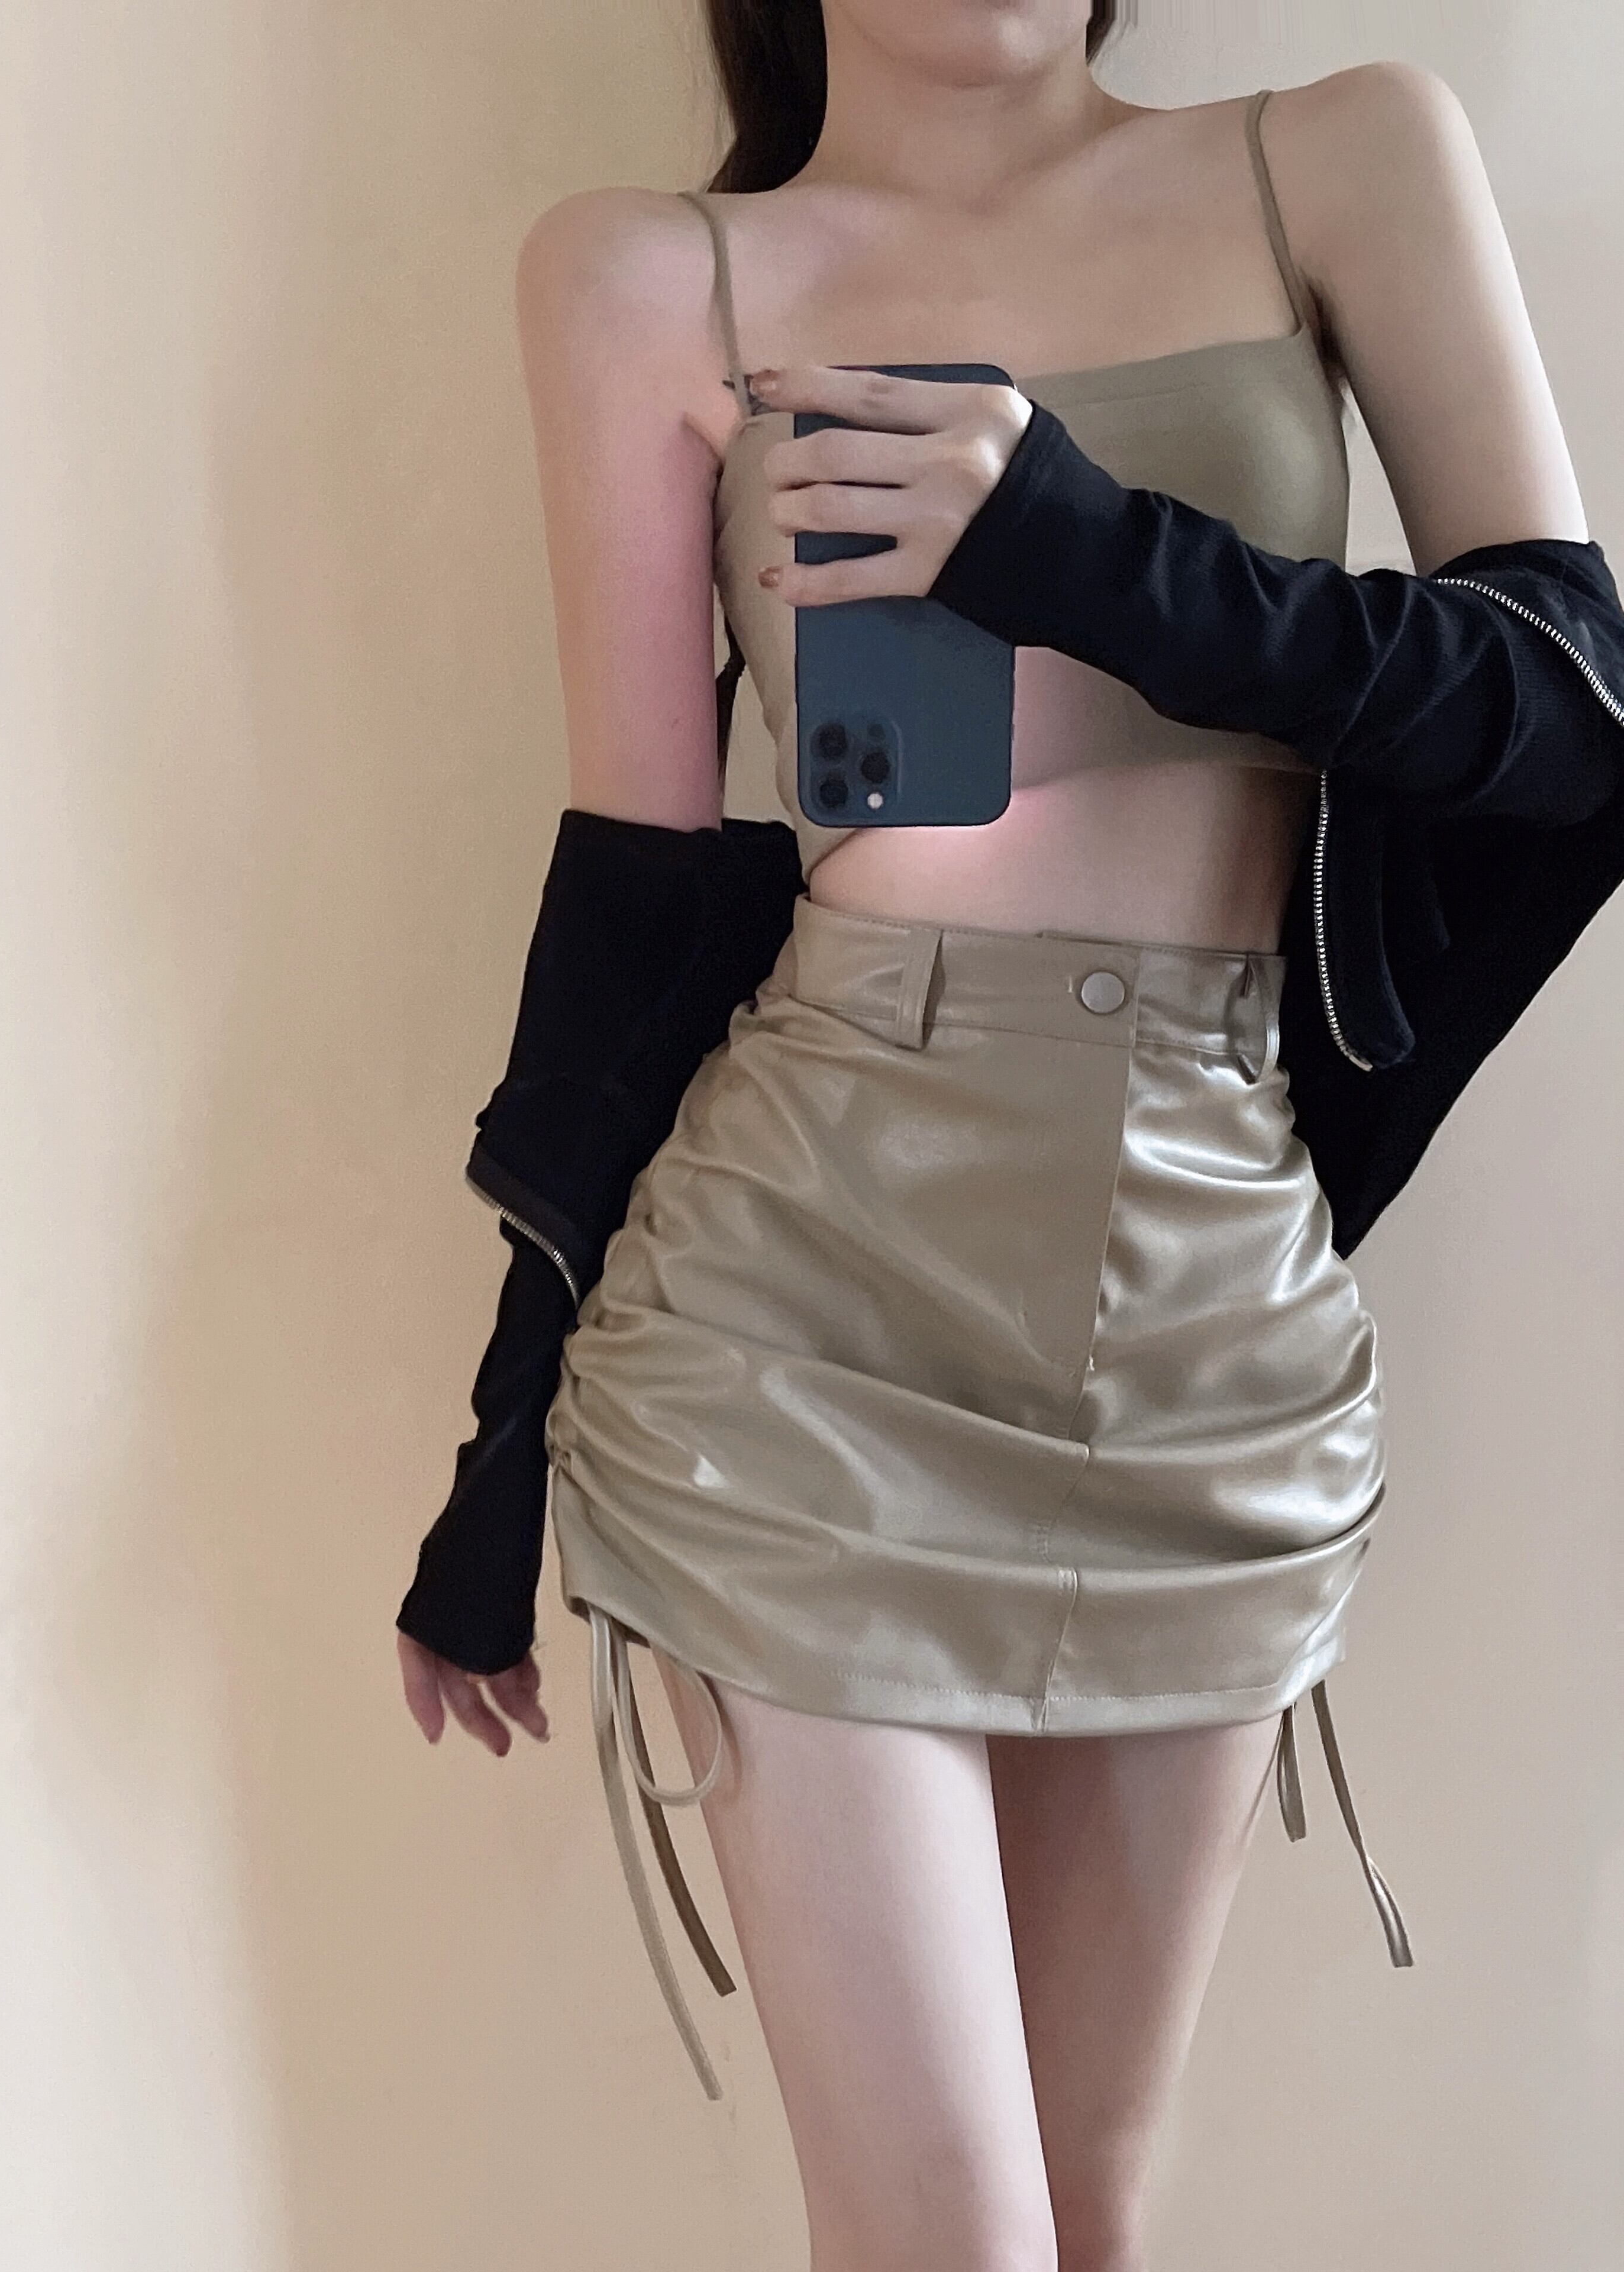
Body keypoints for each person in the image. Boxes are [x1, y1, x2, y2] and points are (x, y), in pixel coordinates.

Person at [396, 8, 1621, 2265]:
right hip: (802, 1310)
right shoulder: (646, 274)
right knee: (953, 2238)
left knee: (1087, 2215)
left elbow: (1566, 715)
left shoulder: (1339, 159)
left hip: (1216, 1306)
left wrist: (1084, 548)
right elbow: (642, 906)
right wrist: (503, 1438)